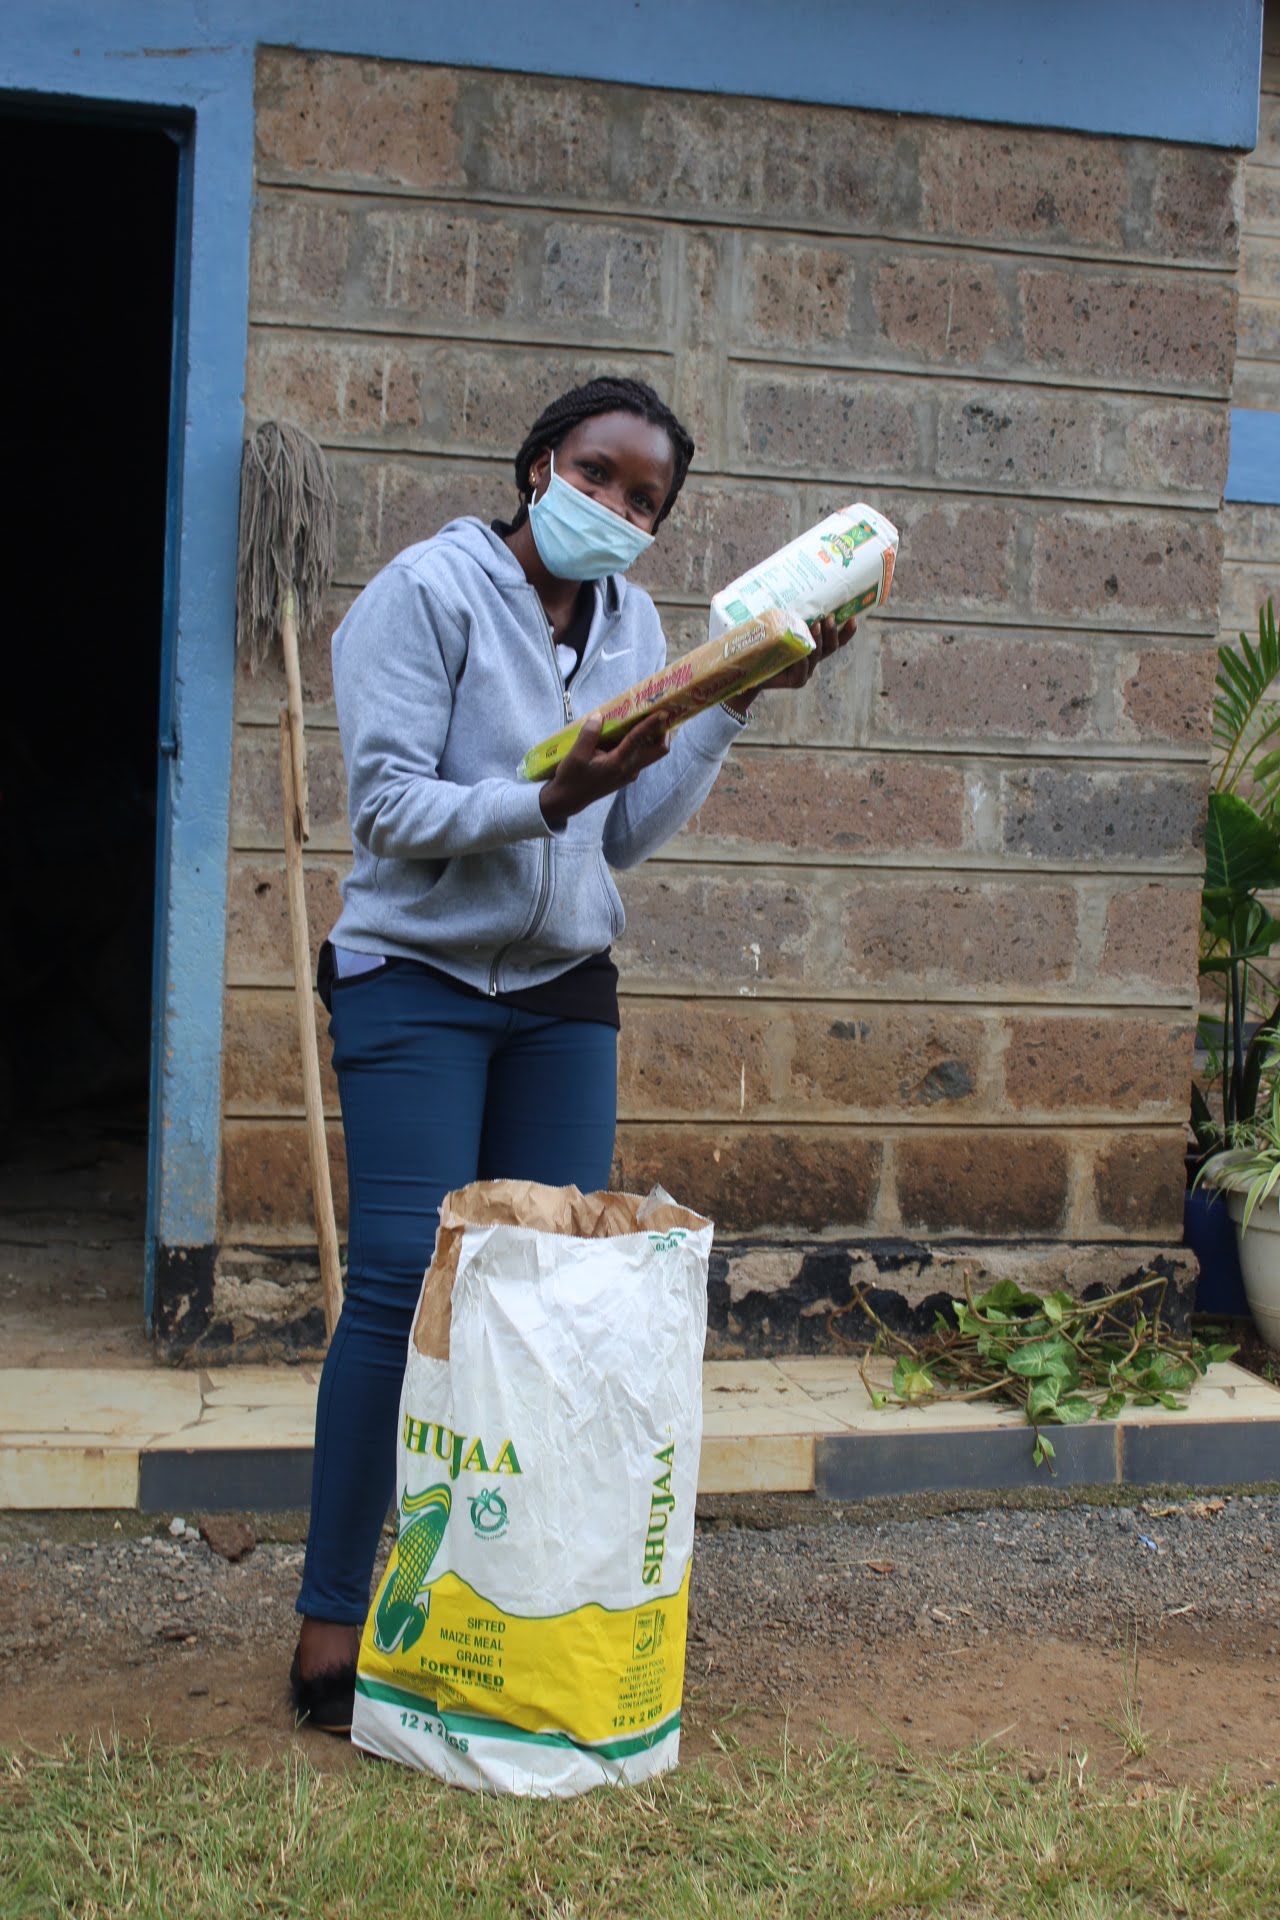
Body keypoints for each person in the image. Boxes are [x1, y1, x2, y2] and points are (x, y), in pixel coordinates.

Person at [290, 375, 854, 1731]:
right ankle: (331, 1624)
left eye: (644, 500)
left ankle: (498, 1610)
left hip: (560, 995)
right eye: (597, 476)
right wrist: (549, 791)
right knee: (394, 1289)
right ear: (539, 465)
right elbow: (387, 809)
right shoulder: (422, 595)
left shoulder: (634, 622)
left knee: (546, 1298)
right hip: (412, 978)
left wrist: (735, 698)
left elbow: (622, 831)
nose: (615, 509)